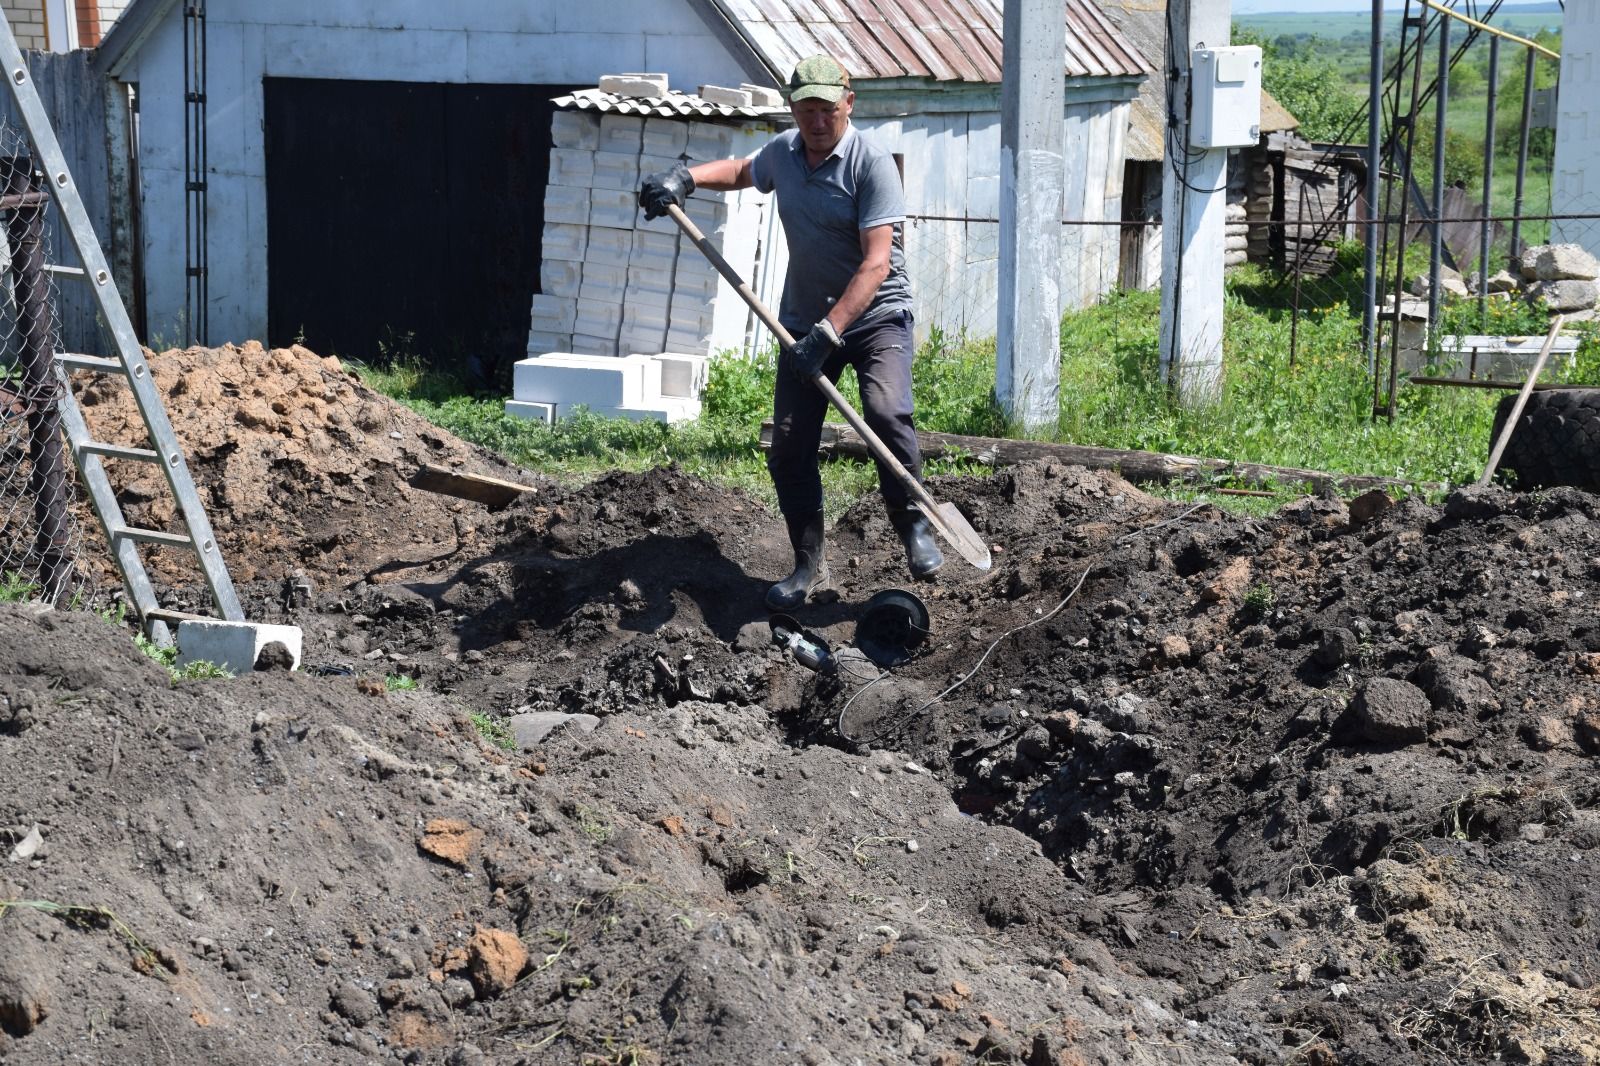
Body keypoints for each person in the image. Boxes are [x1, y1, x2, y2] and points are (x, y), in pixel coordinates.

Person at [638, 54, 942, 611]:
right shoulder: (786, 151)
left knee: (886, 412)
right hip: (803, 321)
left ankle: (913, 524)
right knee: (789, 448)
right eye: (806, 110)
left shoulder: (871, 165)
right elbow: (742, 171)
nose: (817, 121)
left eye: (827, 109)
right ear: (793, 110)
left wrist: (831, 333)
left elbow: (876, 264)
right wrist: (683, 179)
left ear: (849, 104)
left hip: (875, 317)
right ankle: (805, 564)